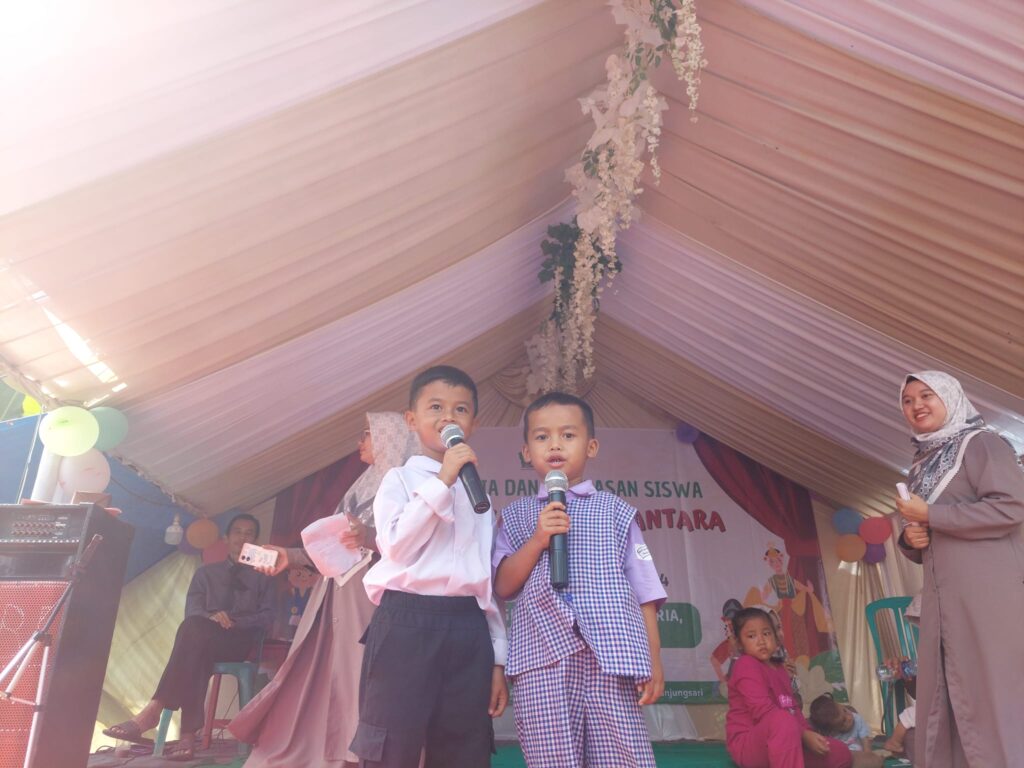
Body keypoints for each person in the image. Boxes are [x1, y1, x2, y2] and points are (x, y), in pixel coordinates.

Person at [229, 412, 419, 767]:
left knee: (363, 672)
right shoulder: (361, 486)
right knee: (327, 671)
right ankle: (333, 750)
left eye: (368, 434)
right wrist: (289, 557)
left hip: (373, 595)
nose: (360, 442)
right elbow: (333, 545)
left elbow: (406, 544)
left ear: (390, 438)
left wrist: (368, 540)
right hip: (334, 592)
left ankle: (362, 753)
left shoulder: (408, 488)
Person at [493, 391, 666, 768]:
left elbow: (646, 590)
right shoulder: (516, 516)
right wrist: (538, 540)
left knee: (622, 757)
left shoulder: (616, 511)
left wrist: (653, 658)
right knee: (552, 757)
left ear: (591, 447)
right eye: (542, 437)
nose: (555, 444)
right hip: (541, 658)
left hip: (611, 656)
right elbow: (503, 586)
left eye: (568, 435)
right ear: (526, 452)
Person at [349, 366, 508, 768]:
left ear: (473, 424)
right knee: (391, 746)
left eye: (460, 409)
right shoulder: (398, 480)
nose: (448, 417)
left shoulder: (479, 493)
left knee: (465, 747)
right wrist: (443, 480)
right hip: (406, 621)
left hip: (467, 625)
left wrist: (497, 658)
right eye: (435, 407)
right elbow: (396, 547)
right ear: (411, 419)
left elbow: (483, 580)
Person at [896, 371, 1024, 767]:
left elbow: (1011, 506)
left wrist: (931, 515)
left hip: (988, 600)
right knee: (947, 698)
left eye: (926, 395)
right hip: (944, 604)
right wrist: (910, 538)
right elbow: (931, 529)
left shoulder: (982, 444)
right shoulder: (922, 464)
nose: (916, 405)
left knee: (994, 699)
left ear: (950, 398)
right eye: (907, 400)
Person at [103, 514, 273, 760]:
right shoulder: (206, 573)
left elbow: (268, 617)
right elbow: (193, 611)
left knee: (193, 639)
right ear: (226, 538)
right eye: (237, 531)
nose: (242, 537)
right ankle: (187, 736)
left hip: (237, 642)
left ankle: (155, 710)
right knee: (195, 638)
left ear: (255, 540)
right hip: (204, 637)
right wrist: (213, 617)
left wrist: (236, 621)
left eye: (249, 533)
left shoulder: (264, 576)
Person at [726, 607, 851, 768]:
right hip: (749, 746)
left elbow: (792, 708)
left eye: (766, 633)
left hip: (786, 739)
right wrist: (803, 735)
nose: (761, 641)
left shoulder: (780, 669)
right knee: (783, 720)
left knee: (840, 752)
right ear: (739, 643)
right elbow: (763, 711)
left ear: (775, 637)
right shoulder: (745, 664)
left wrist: (809, 733)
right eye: (751, 636)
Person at [808, 694, 882, 768]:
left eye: (845, 710)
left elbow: (865, 738)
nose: (849, 718)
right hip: (842, 758)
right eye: (843, 721)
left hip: (859, 754)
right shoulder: (830, 735)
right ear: (832, 730)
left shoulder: (857, 719)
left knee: (874, 761)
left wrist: (868, 753)